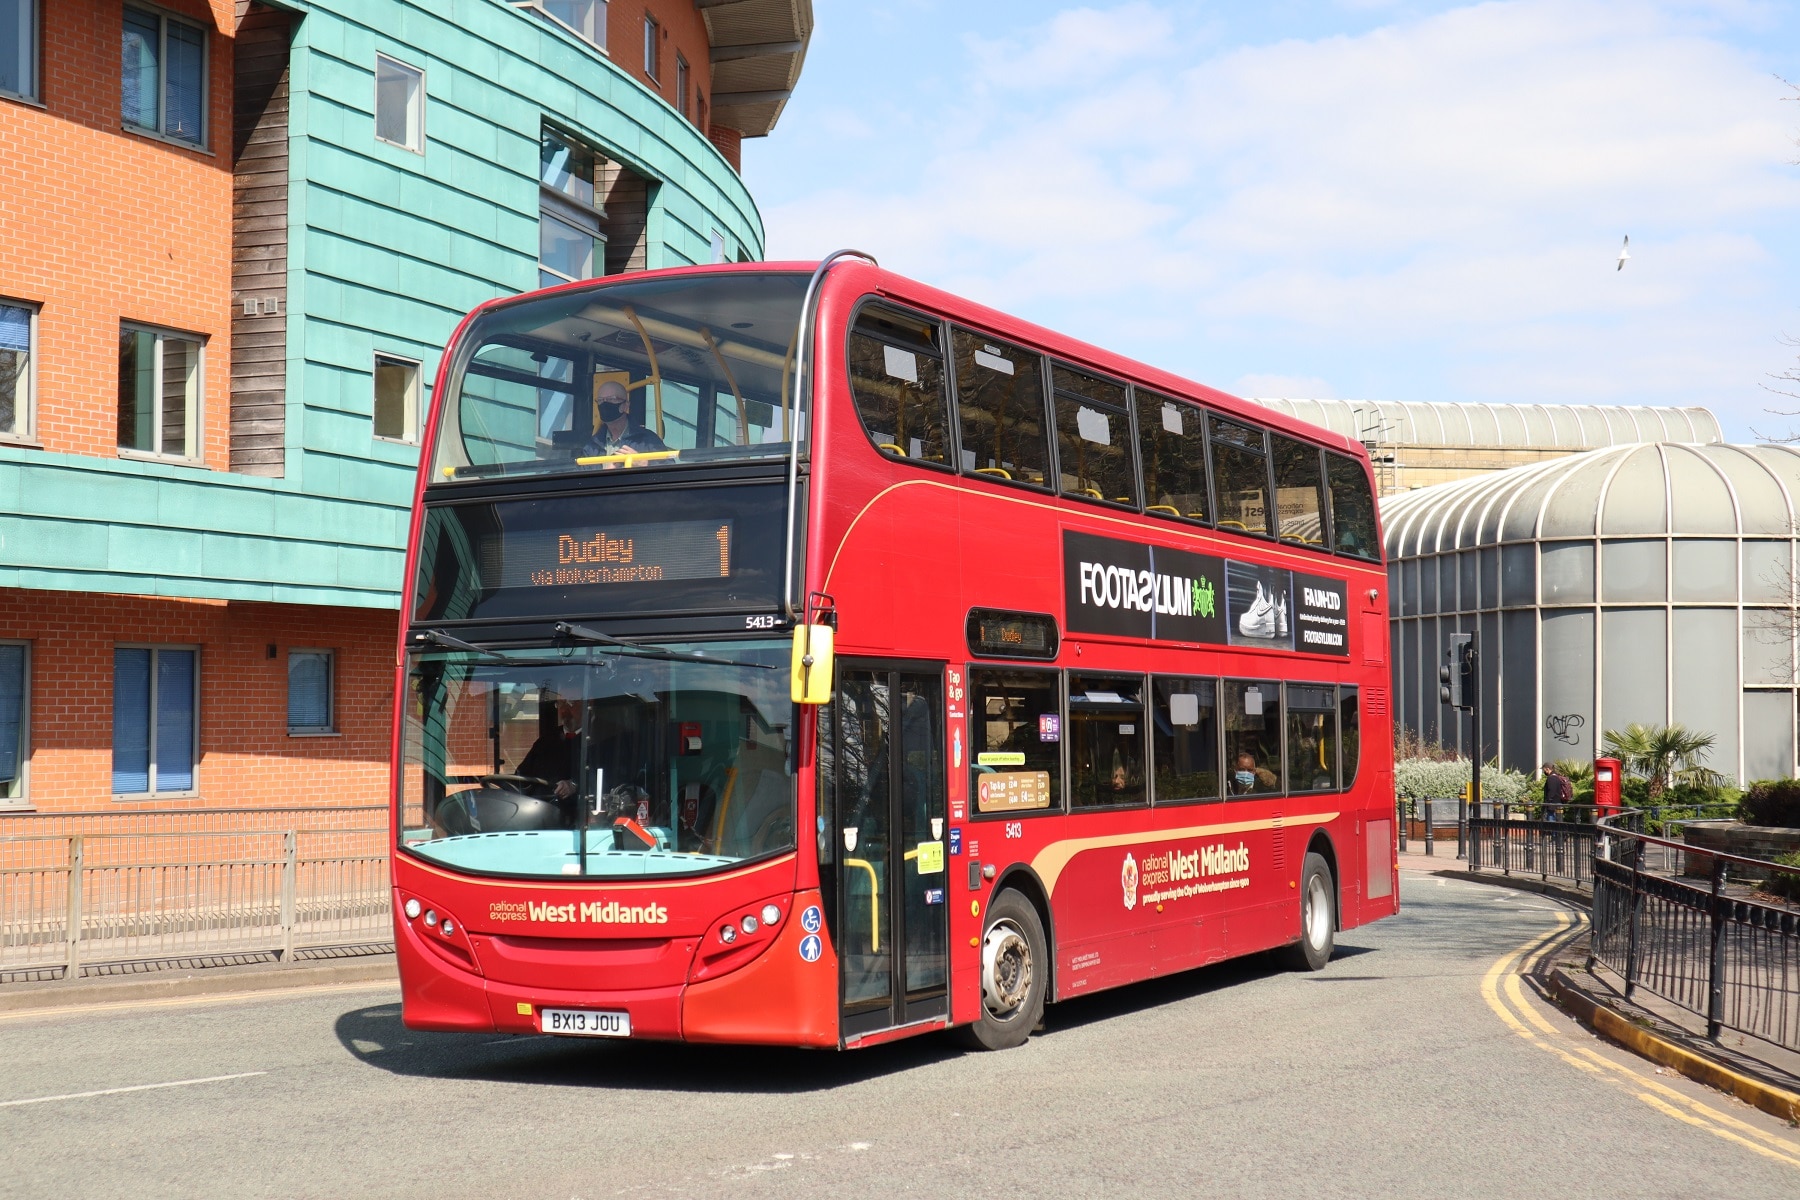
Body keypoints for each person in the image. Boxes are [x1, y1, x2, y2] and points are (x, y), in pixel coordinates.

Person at [581, 379, 669, 458]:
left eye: (611, 399)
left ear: (625, 406)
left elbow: (667, 471)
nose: (604, 404)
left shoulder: (648, 441)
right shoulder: (592, 446)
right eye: (600, 400)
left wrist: (643, 464)